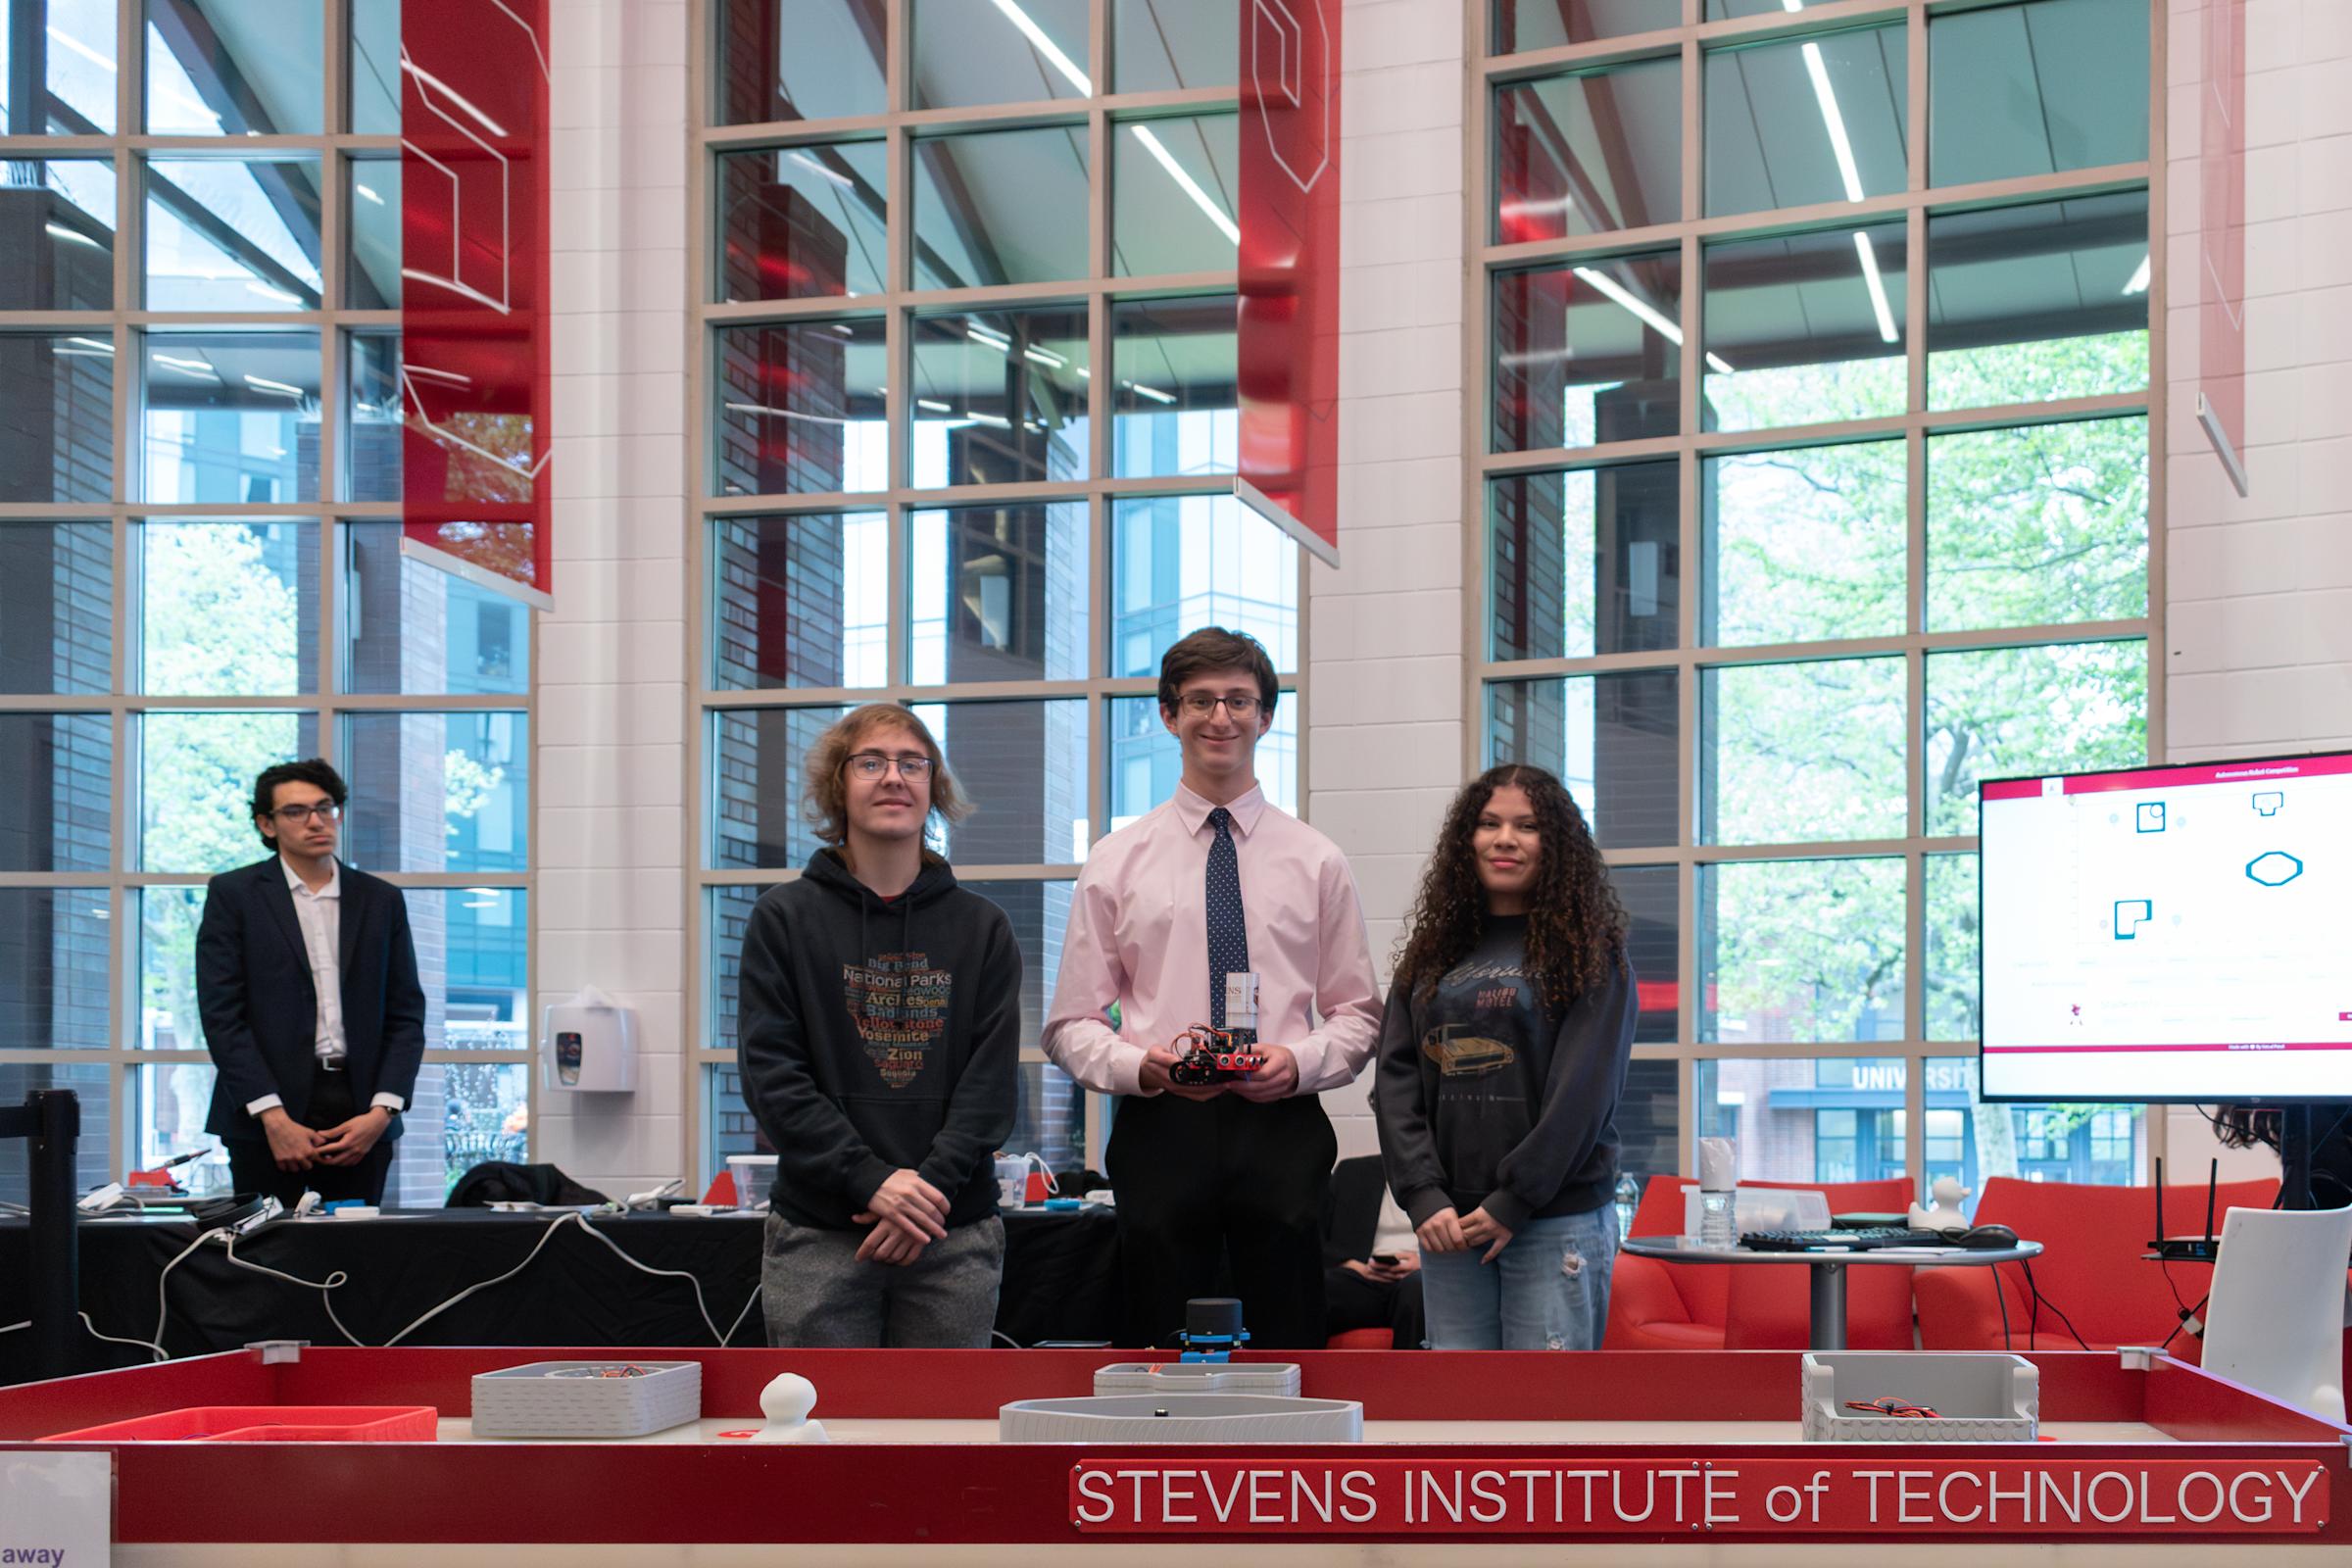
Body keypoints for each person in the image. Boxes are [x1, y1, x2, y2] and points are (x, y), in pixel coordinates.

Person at [1043, 627, 1382, 1348]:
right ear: (1168, 716)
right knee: (1159, 1340)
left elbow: (1358, 1014)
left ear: (1266, 716)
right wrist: (1141, 1067)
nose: (1219, 717)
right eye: (1199, 700)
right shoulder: (1116, 861)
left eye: (1237, 700)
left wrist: (1300, 1063)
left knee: (1289, 1335)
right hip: (1162, 1123)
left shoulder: (1317, 861)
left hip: (1281, 1124)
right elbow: (1070, 1022)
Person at [737, 703, 1020, 1348]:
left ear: (932, 787)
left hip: (952, 1230)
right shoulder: (782, 919)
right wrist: (872, 1180)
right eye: (871, 763)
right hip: (819, 1234)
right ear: (840, 784)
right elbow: (773, 1078)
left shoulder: (984, 929)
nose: (893, 778)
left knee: (943, 1442)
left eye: (911, 763)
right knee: (820, 1437)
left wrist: (920, 1198)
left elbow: (991, 1086)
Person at [1371, 762, 1637, 1350]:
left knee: (1545, 1420)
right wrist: (1422, 1194)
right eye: (1489, 823)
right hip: (1449, 1225)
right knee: (1462, 1418)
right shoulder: (1434, 951)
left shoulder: (1592, 955)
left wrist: (1515, 1198)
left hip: (1553, 1220)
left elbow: (1583, 1097)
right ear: (1467, 839)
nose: (1505, 839)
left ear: (1557, 844)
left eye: (1527, 825)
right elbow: (1395, 1080)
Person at [197, 760, 425, 1206]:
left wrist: (383, 1111)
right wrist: (273, 1117)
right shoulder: (235, 895)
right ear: (266, 824)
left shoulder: (381, 900)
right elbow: (223, 1016)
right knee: (265, 1256)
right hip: (263, 1111)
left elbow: (406, 1015)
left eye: (326, 807)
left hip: (362, 1111)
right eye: (297, 811)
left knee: (352, 1257)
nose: (317, 821)